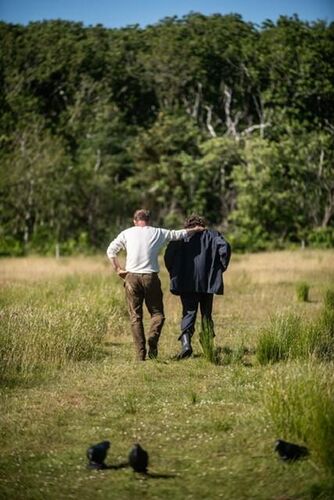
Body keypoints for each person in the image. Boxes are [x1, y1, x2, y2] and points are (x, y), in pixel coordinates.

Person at [106, 209, 204, 361]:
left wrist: (118, 269)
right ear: (148, 220)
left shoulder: (126, 233)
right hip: (150, 278)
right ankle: (153, 338)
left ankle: (140, 355)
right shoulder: (158, 232)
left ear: (134, 221)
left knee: (135, 317)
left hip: (131, 278)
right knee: (158, 314)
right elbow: (178, 234)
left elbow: (111, 250)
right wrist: (196, 229)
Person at [164, 214, 231, 359]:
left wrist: (174, 271)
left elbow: (168, 256)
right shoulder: (213, 235)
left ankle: (186, 344)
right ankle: (207, 346)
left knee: (189, 312)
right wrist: (220, 268)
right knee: (206, 314)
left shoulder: (181, 236)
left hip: (185, 282)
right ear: (202, 224)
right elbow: (225, 247)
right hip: (207, 282)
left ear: (187, 225)